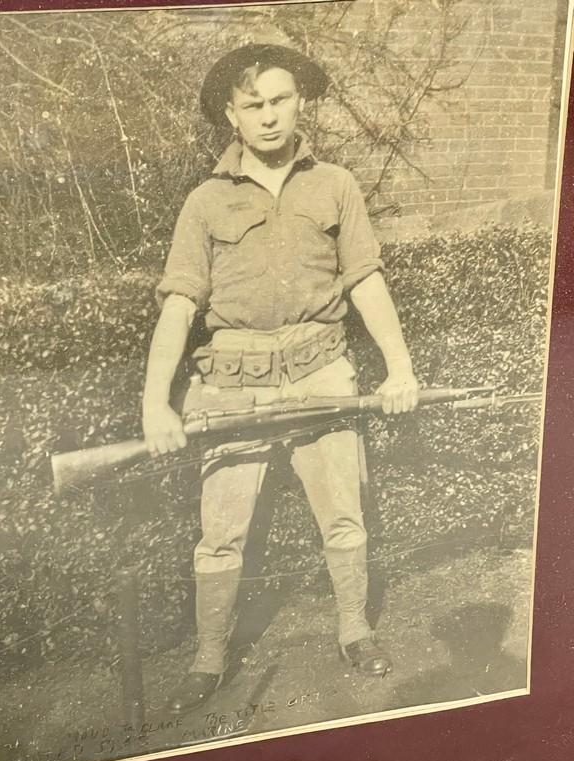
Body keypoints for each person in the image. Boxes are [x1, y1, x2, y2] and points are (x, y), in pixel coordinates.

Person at [142, 43, 419, 714]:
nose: (269, 116)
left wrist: (401, 367)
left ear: (301, 104)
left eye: (280, 100)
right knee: (221, 532)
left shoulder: (336, 186)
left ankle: (356, 630)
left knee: (345, 519)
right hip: (229, 385)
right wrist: (156, 403)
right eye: (253, 105)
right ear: (231, 118)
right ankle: (209, 657)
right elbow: (179, 304)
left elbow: (366, 282)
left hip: (321, 372)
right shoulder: (205, 202)